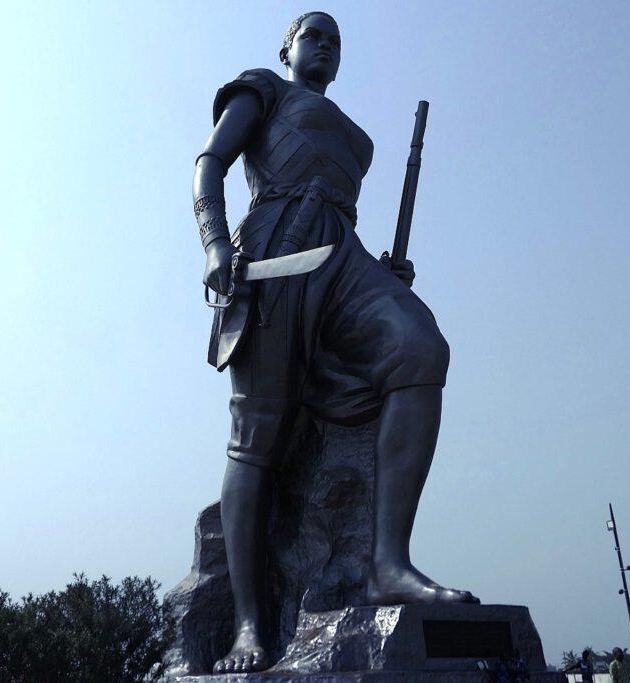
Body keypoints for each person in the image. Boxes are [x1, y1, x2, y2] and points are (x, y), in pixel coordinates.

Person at [194, 10, 477, 675]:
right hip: (272, 248)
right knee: (257, 436)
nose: (324, 46)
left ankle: (388, 564)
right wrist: (213, 245)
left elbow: (337, 211)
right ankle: (246, 627)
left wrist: (384, 273)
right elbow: (209, 162)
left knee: (419, 347)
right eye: (312, 35)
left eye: (335, 41)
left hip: (343, 256)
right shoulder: (260, 88)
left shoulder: (360, 141)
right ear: (287, 49)